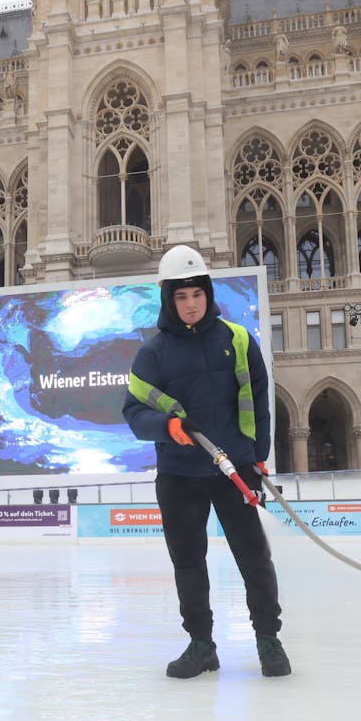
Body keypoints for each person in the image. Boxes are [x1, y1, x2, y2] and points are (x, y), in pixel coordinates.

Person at [123, 245, 289, 679]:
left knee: (254, 557)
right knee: (188, 562)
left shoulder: (237, 340)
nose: (190, 304)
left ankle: (269, 640)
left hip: (232, 469)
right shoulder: (152, 354)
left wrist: (258, 457)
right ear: (168, 300)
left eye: (196, 294)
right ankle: (201, 645)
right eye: (181, 297)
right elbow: (134, 413)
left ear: (208, 294)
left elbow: (258, 403)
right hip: (179, 475)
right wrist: (168, 428)